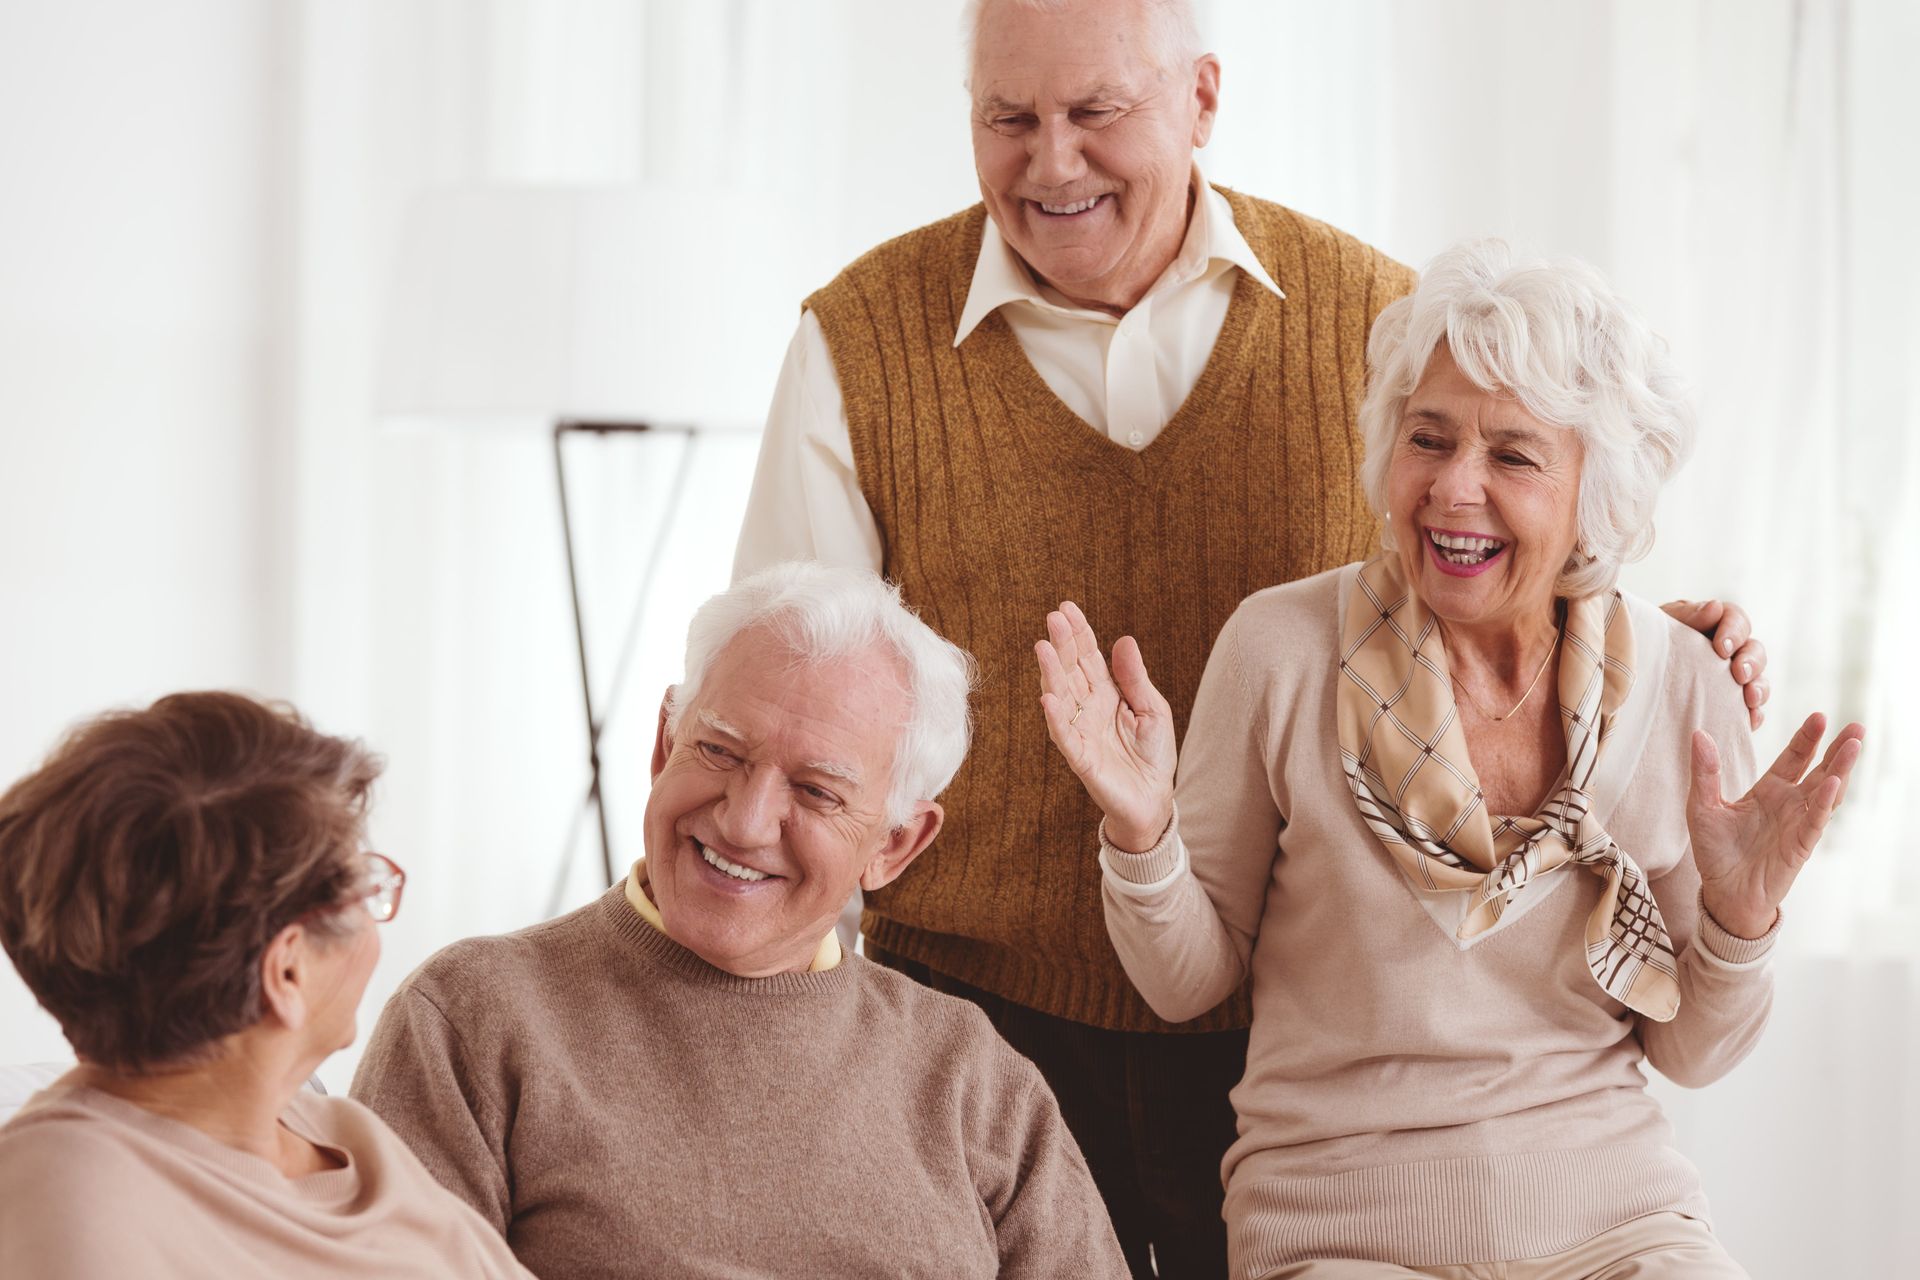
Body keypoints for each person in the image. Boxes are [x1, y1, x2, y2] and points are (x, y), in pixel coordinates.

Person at [732, 0, 1771, 1271]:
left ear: (1204, 100)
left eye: (1096, 110)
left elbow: (1509, 529)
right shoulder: (862, 342)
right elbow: (786, 706)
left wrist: (1658, 647)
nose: (1051, 160)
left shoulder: (1379, 317)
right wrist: (776, 1028)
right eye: (1007, 116)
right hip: (973, 1015)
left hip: (1288, 1046)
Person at [1036, 241, 1865, 1278]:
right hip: (1339, 1227)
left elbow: (1690, 1052)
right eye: (1427, 439)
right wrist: (1141, 829)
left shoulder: (1686, 682)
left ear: (1596, 494)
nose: (1452, 487)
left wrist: (1740, 921)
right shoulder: (1279, 649)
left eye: (1513, 456)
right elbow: (1187, 981)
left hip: (1619, 1221)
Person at [351, 561, 1127, 1279]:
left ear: (895, 844)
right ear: (665, 746)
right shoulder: (472, 1018)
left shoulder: (973, 1077)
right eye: (720, 751)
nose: (745, 823)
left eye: (816, 792)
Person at [0, 692, 532, 1280]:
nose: (376, 920)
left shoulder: (348, 1137)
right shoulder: (67, 1210)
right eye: (364, 888)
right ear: (287, 972)